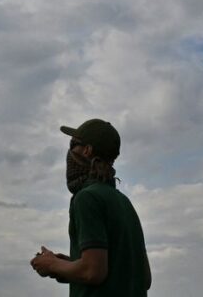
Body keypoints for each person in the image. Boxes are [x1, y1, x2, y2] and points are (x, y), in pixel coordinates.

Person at [29, 119, 151, 295]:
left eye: (73, 145)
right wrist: (67, 265)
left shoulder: (87, 198)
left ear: (87, 150)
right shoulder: (125, 203)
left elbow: (93, 272)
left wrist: (52, 264)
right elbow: (143, 278)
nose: (70, 151)